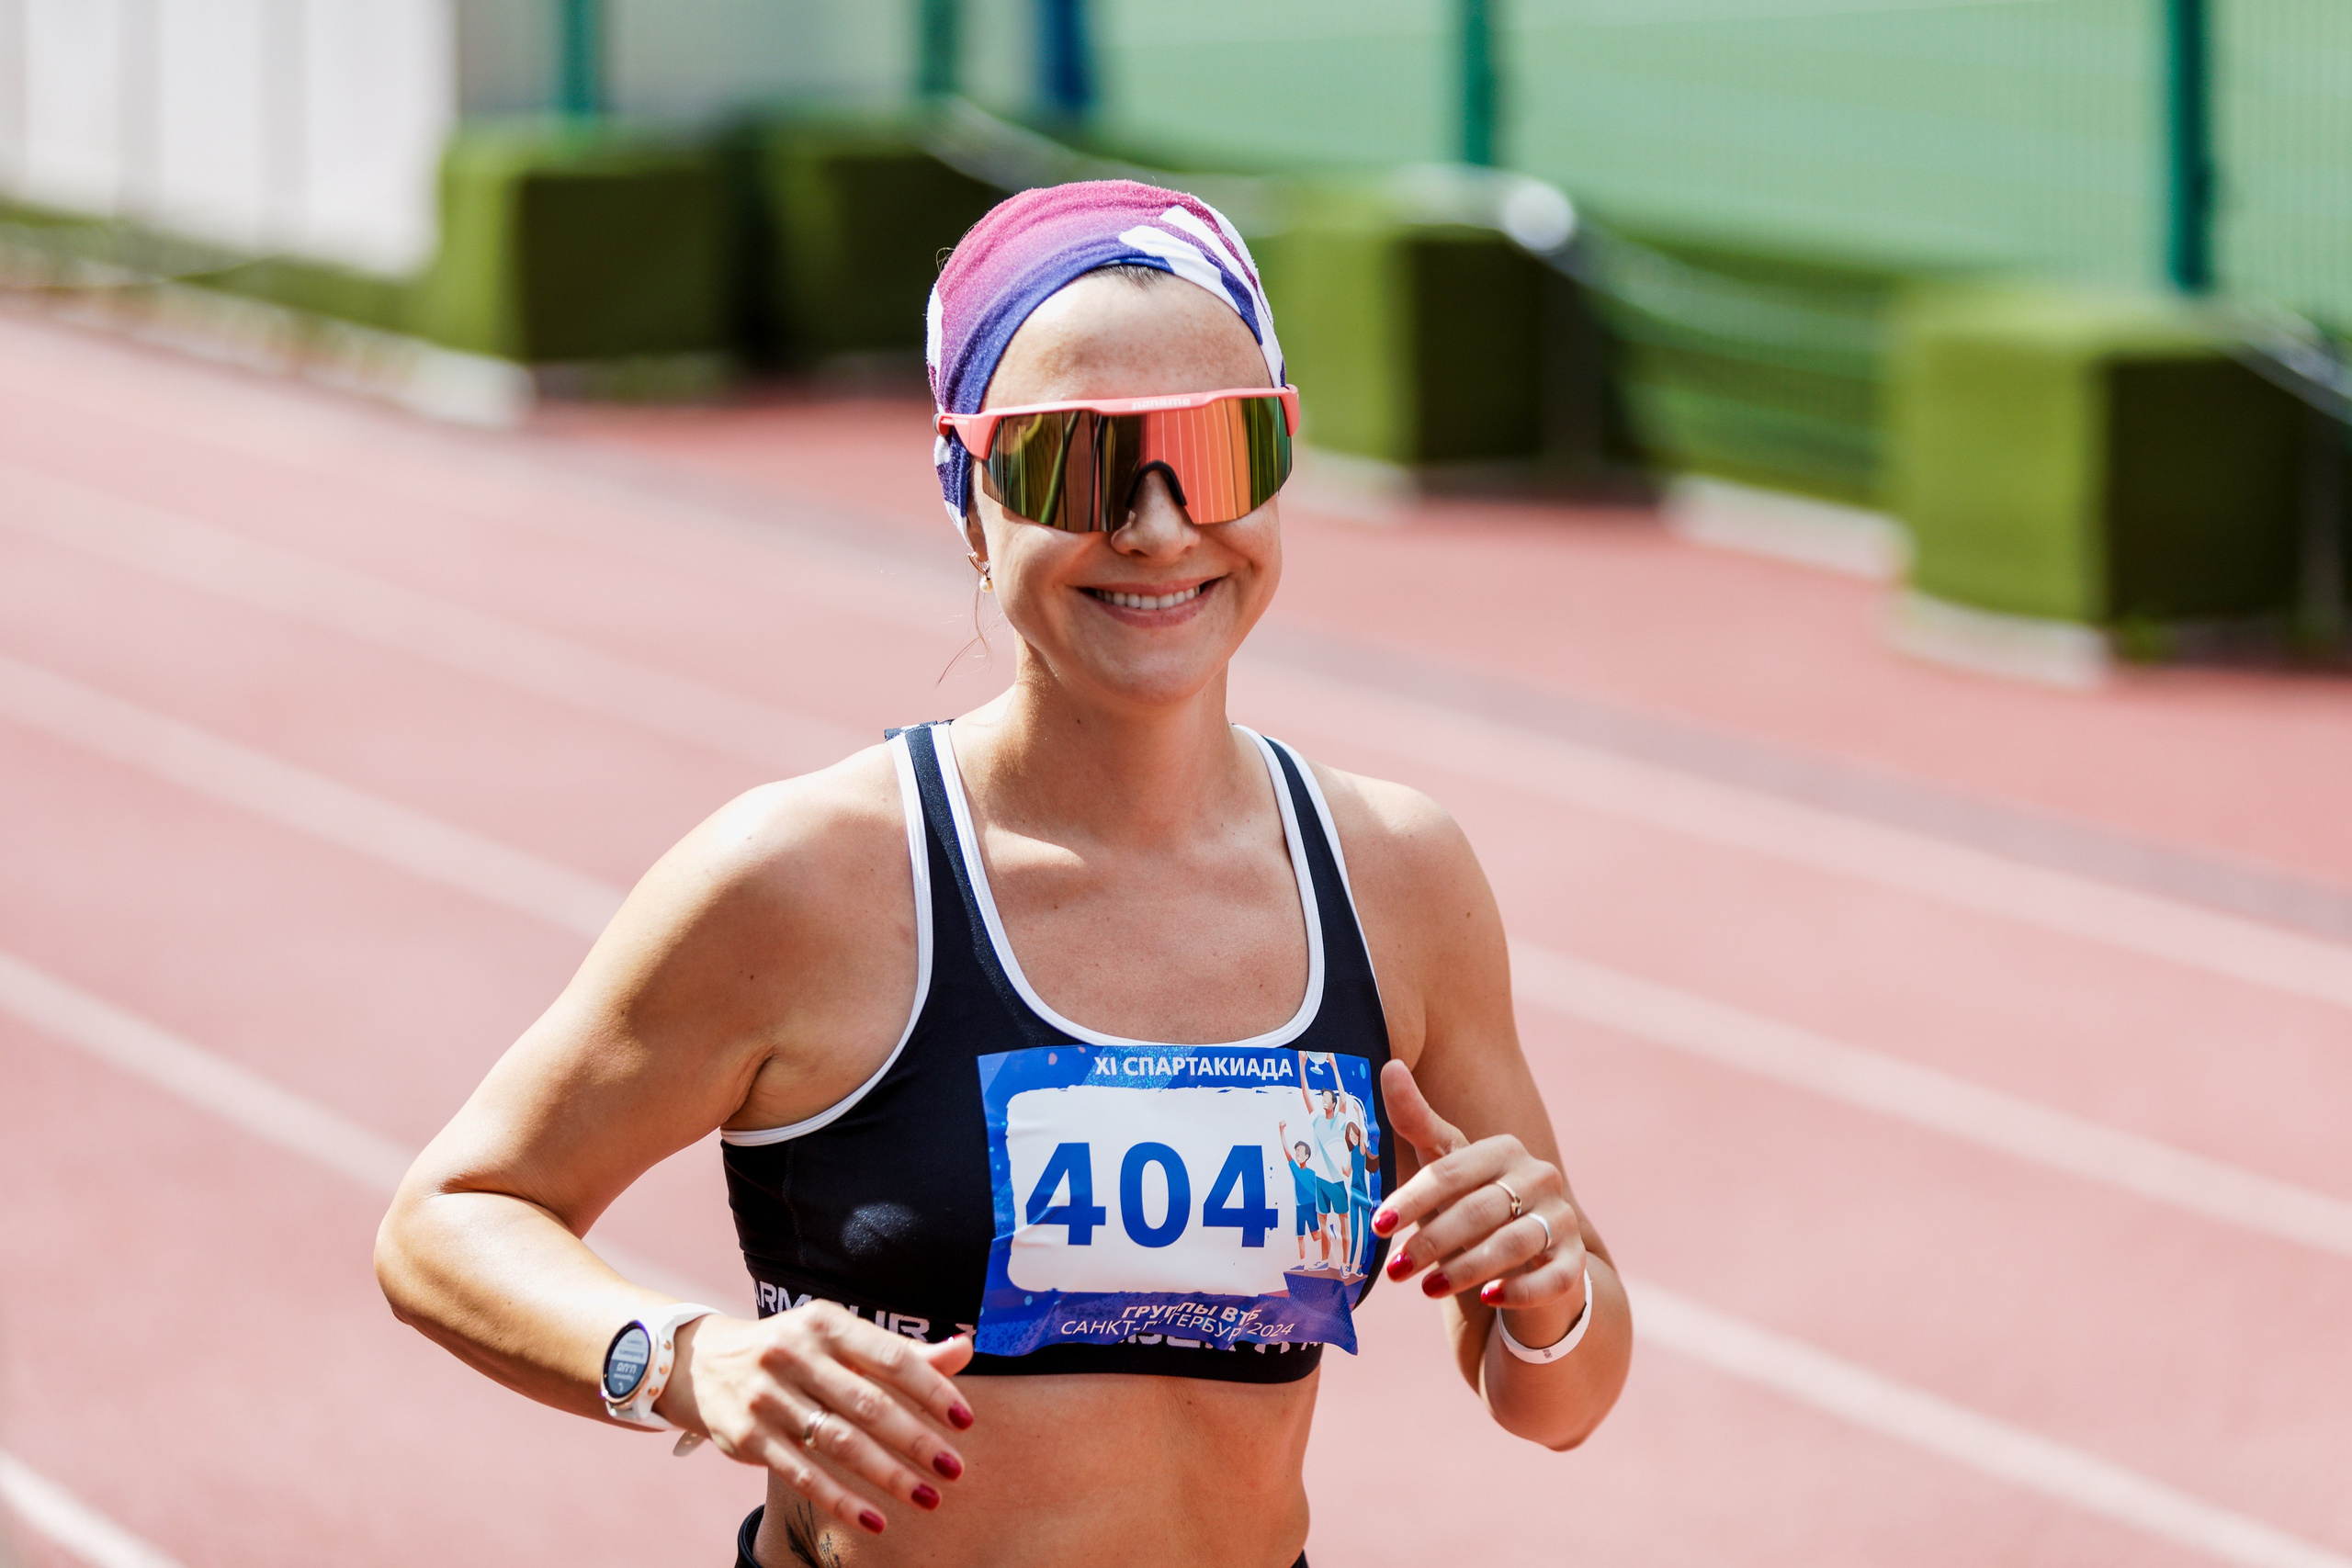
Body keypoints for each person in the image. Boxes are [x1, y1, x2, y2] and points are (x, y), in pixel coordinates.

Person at [374, 179, 1629, 1568]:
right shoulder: (808, 875)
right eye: (1074, 467)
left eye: (1219, 451)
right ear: (967, 497)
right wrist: (683, 1357)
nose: (1156, 527)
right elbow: (452, 1215)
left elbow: (1556, 1399)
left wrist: (1554, 1290)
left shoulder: (1398, 876)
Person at [1280, 1130, 1323, 1267]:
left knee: (1315, 1236)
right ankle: (1302, 1263)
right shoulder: (1295, 1170)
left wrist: (1320, 1207)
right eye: (1296, 1151)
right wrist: (1281, 1132)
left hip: (1311, 1205)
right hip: (1299, 1207)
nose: (1297, 1153)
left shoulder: (1312, 1173)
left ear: (1306, 1156)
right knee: (1300, 1236)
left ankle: (1331, 1234)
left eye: (1300, 1151)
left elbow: (1318, 1190)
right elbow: (1287, 1154)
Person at [1344, 1120, 1377, 1279]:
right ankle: (1351, 1263)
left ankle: (1358, 1265)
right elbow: (1347, 1170)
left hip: (1363, 1193)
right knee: (1354, 1230)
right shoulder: (1351, 1153)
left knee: (1363, 1231)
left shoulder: (1362, 1149)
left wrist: (1358, 1112)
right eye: (1350, 1135)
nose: (1353, 1137)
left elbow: (1362, 1132)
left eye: (1354, 1134)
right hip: (1352, 1191)